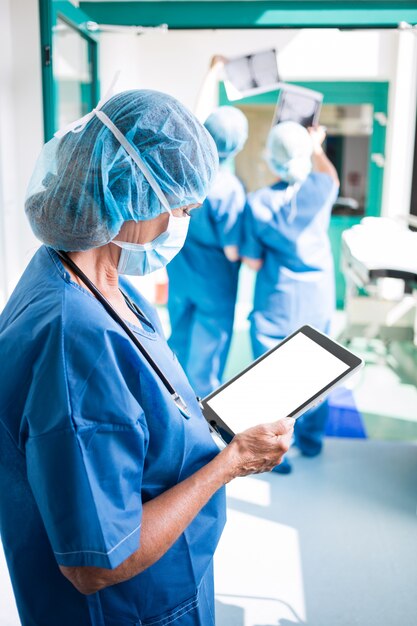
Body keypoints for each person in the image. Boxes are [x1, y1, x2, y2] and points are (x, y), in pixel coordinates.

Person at [0, 90, 294, 626]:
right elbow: (97, 564)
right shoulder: (73, 338)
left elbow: (141, 401)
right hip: (128, 609)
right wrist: (230, 463)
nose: (185, 216)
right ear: (130, 190)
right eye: (179, 204)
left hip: (168, 587)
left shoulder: (91, 276)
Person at [241, 121, 339, 474]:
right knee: (318, 367)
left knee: (273, 374)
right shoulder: (320, 189)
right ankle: (311, 442)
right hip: (317, 295)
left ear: (272, 159)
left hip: (277, 296)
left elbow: (252, 261)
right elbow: (331, 174)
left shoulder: (257, 202)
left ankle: (275, 452)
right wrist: (316, 146)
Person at [167, 105, 248, 398]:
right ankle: (202, 431)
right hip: (214, 285)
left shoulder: (185, 174)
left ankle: (171, 409)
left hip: (181, 276)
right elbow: (232, 251)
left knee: (176, 347)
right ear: (239, 144)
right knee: (206, 362)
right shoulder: (229, 190)